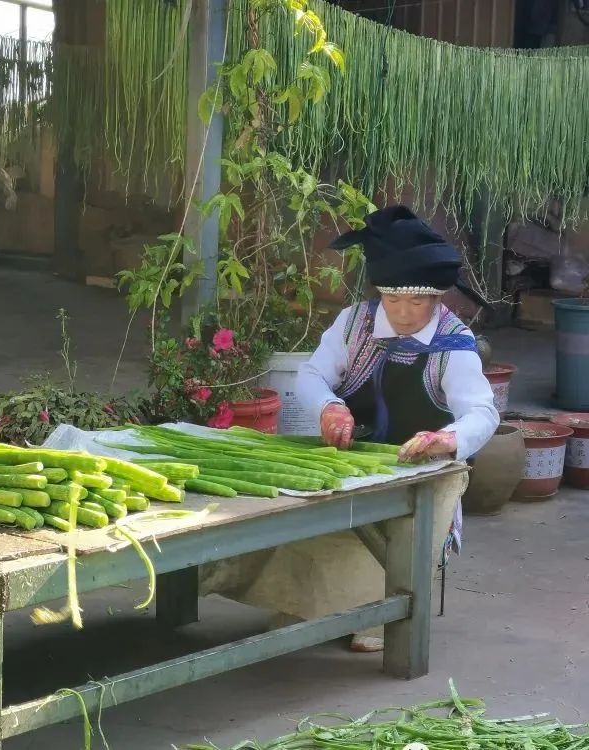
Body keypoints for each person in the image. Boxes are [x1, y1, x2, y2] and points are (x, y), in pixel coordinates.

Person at [199, 205, 499, 653]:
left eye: (416, 302)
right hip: (347, 460)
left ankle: (377, 612)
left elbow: (482, 411)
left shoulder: (454, 345)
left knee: (389, 532)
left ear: (436, 298)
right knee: (296, 513)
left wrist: (448, 439)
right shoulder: (355, 322)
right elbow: (313, 375)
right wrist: (329, 409)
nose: (402, 313)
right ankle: (303, 602)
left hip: (415, 470)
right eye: (393, 300)